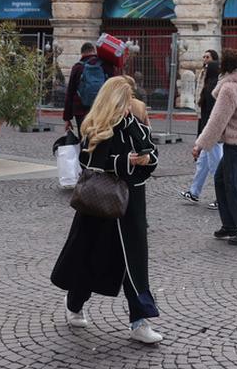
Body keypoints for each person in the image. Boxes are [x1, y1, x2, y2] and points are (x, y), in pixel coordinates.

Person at [50, 75, 163, 344]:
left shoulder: (135, 125)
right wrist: (125, 161)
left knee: (135, 264)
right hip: (100, 205)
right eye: (126, 100)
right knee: (88, 259)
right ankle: (74, 303)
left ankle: (139, 321)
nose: (130, 105)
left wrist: (146, 158)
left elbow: (152, 153)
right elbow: (89, 161)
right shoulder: (96, 126)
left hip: (131, 206)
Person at [193, 48, 237, 247]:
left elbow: (217, 121)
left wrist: (200, 145)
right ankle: (230, 224)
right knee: (221, 179)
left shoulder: (229, 89)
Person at [180, 49, 222, 205]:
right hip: (209, 129)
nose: (204, 60)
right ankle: (194, 192)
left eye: (207, 57)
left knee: (216, 166)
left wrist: (204, 136)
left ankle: (222, 198)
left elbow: (211, 114)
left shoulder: (212, 88)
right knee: (203, 163)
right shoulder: (213, 84)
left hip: (211, 131)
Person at [63, 42, 101, 133]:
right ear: (94, 51)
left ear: (82, 53)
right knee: (99, 136)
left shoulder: (78, 67)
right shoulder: (104, 65)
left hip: (81, 110)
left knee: (83, 136)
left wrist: (67, 118)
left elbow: (70, 93)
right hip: (100, 109)